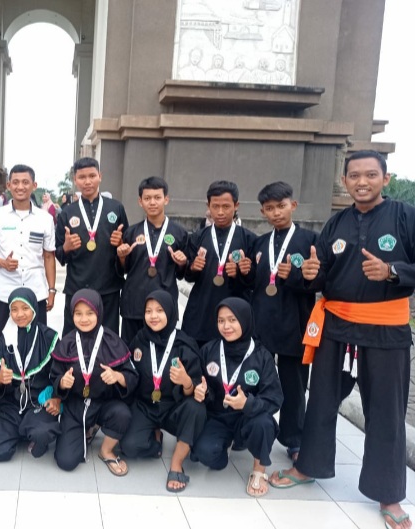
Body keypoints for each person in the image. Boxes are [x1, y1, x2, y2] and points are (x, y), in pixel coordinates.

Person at [269, 151, 415, 529]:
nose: (362, 182)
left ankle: (389, 494)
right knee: (320, 401)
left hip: (385, 331)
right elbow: (321, 276)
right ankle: (308, 466)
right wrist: (311, 274)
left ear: (385, 178)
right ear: (345, 180)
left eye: (370, 175)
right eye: (354, 175)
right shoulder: (336, 223)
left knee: (386, 413)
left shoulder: (404, 217)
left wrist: (392, 271)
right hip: (337, 327)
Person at [244, 182, 317, 462]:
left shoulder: (310, 241)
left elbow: (319, 283)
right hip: (261, 323)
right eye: (270, 208)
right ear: (263, 211)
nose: (276, 213)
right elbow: (254, 283)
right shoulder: (259, 243)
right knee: (253, 380)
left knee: (293, 386)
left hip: (294, 325)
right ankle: (247, 430)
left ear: (293, 205)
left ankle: (294, 440)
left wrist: (295, 276)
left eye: (281, 206)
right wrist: (245, 272)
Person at [190, 298, 282, 497]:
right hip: (218, 418)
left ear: (245, 320)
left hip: (248, 419)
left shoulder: (262, 356)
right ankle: (226, 445)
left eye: (232, 320)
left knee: (264, 423)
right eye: (221, 321)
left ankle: (259, 471)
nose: (226, 326)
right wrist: (201, 390)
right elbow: (199, 380)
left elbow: (274, 398)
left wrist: (248, 403)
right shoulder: (209, 350)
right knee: (205, 453)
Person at [120, 291, 206, 492]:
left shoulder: (183, 344)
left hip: (174, 407)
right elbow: (130, 374)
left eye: (159, 310)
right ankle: (155, 439)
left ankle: (176, 463)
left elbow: (196, 389)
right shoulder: (139, 340)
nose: (153, 316)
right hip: (146, 406)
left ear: (170, 311)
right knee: (129, 447)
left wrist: (186, 382)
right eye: (148, 311)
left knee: (196, 408)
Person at [50, 289, 138, 474]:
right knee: (66, 461)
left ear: (99, 312)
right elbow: (54, 376)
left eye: (90, 313)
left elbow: (132, 375)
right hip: (75, 407)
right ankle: (85, 429)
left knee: (122, 414)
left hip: (103, 404)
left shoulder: (112, 341)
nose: (84, 319)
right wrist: (62, 383)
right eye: (78, 313)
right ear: (72, 314)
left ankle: (106, 450)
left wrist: (118, 377)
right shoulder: (67, 343)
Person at [0, 287, 61, 462]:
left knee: (42, 432)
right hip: (11, 405)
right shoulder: (4, 339)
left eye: (25, 308)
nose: (20, 314)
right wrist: (0, 380)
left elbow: (58, 374)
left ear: (34, 308)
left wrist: (57, 398)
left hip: (39, 404)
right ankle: (23, 429)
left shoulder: (49, 337)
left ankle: (28, 430)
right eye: (14, 309)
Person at [0, 164, 56, 351]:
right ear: (8, 185)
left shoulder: (45, 219)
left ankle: (35, 372)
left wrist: (51, 290)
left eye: (25, 182)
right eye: (15, 182)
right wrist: (2, 262)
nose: (20, 187)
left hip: (36, 291)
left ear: (34, 185)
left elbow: (49, 256)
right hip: (4, 291)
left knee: (38, 344)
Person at [55, 157, 128, 336]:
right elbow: (59, 254)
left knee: (108, 338)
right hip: (77, 286)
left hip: (108, 287)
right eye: (82, 177)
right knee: (73, 338)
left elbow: (126, 252)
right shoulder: (67, 212)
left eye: (92, 176)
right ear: (75, 180)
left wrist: (120, 245)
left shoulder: (116, 208)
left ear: (100, 176)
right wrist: (66, 247)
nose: (87, 181)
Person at [181, 180, 256, 346]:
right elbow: (187, 276)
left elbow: (254, 280)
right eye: (215, 206)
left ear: (236, 205)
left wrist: (242, 272)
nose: (220, 212)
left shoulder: (249, 239)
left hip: (235, 314)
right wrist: (193, 268)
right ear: (208, 206)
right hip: (201, 313)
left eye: (226, 206)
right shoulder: (197, 237)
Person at [116, 176, 189, 344]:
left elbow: (182, 273)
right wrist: (121, 257)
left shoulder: (179, 233)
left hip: (164, 305)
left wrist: (182, 263)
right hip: (134, 304)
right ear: (140, 201)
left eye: (157, 197)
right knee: (131, 350)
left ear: (166, 199)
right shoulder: (131, 233)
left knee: (162, 351)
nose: (152, 202)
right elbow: (123, 269)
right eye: (147, 198)